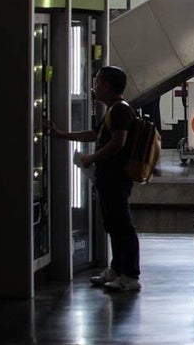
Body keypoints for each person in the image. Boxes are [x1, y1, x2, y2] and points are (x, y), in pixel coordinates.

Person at [44, 66, 142, 293]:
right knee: (114, 224)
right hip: (109, 177)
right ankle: (117, 269)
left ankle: (130, 275)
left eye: (97, 82)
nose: (93, 87)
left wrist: (91, 158)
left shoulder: (119, 111)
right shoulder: (114, 110)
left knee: (122, 226)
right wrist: (62, 135)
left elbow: (117, 142)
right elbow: (94, 134)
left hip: (116, 178)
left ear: (107, 86)